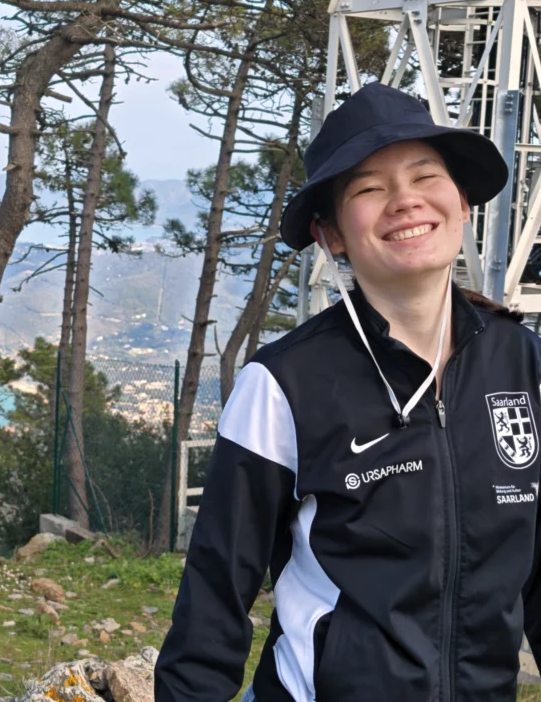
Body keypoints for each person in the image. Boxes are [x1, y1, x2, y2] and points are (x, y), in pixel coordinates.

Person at [153, 82, 541, 701]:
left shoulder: (522, 362)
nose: (405, 201)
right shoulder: (284, 383)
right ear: (331, 235)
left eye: (425, 176)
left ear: (462, 202)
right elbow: (216, 592)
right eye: (368, 188)